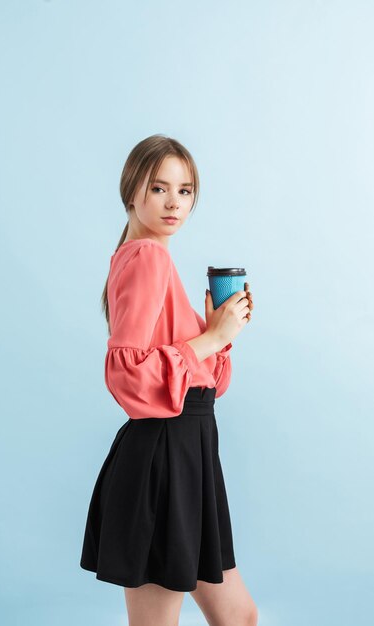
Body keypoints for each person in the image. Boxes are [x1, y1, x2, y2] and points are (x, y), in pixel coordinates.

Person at [79, 134, 258, 626]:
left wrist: (218, 335)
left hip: (191, 451)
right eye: (159, 188)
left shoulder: (150, 258)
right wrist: (210, 338)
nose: (174, 202)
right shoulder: (147, 258)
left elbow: (203, 384)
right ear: (131, 191)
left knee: (239, 616)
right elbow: (127, 375)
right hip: (166, 456)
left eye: (185, 190)